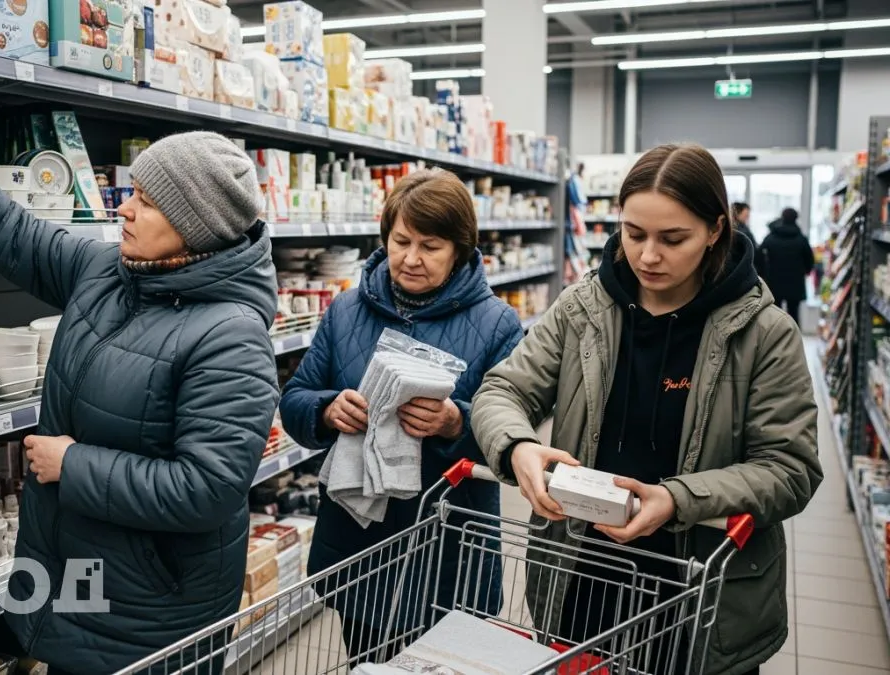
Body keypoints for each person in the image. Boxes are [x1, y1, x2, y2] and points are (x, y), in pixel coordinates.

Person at [0, 113, 280, 674]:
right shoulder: (109, 274)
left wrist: (74, 464)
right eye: (132, 192)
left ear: (198, 225)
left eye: (148, 201)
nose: (125, 208)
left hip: (150, 611)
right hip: (80, 577)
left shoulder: (231, 337)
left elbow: (207, 490)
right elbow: (7, 228)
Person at [470, 144, 821, 675]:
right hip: (582, 577)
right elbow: (503, 390)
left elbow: (790, 470)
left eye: (672, 238)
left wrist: (677, 499)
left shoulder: (765, 333)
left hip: (701, 592)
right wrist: (517, 446)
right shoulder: (582, 308)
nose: (647, 256)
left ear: (715, 230)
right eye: (633, 234)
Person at [279, 168, 524, 663]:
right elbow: (295, 398)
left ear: (460, 248)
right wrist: (328, 410)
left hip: (447, 542)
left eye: (430, 246)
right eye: (400, 241)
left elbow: (515, 426)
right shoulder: (346, 310)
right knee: (367, 657)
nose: (410, 259)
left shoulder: (497, 323)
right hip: (359, 540)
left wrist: (456, 423)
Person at [759, 207, 815, 327]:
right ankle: (794, 342)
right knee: (794, 314)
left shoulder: (771, 237)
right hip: (795, 282)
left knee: (774, 314)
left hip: (774, 281)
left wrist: (764, 273)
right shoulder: (801, 239)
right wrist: (805, 271)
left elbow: (759, 255)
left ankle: (773, 341)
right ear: (796, 219)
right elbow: (810, 260)